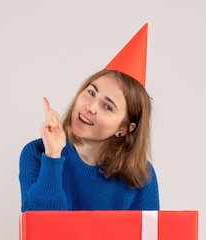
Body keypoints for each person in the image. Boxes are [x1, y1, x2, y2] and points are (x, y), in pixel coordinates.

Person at [18, 24, 159, 212]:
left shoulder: (142, 176)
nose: (90, 107)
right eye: (91, 92)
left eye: (107, 106)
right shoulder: (36, 153)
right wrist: (52, 157)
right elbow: (40, 230)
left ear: (125, 128)